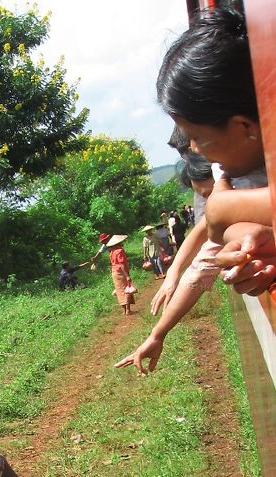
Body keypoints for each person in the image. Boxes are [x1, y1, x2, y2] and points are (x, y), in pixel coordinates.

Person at [116, 6, 271, 374]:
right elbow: (214, 236)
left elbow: (215, 221)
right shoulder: (228, 172)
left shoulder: (230, 179)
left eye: (200, 137)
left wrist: (223, 212)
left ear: (244, 126)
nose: (197, 151)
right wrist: (235, 224)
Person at [107, 234, 135, 316]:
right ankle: (128, 310)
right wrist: (127, 275)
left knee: (119, 291)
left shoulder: (112, 252)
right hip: (121, 272)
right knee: (126, 289)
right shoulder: (120, 251)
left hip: (114, 272)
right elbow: (122, 264)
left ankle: (124, 310)